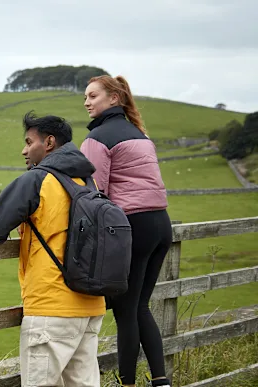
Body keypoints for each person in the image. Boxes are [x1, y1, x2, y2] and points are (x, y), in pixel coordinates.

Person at [0, 111, 105, 387]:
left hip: (51, 307)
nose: (24, 150)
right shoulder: (87, 181)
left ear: (48, 143)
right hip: (91, 305)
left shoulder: (38, 180)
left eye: (28, 142)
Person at [80, 75, 172, 387]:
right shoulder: (141, 135)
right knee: (140, 305)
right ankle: (161, 381)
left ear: (114, 99)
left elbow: (93, 194)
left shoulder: (97, 139)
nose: (87, 102)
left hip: (133, 227)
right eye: (85, 98)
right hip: (161, 225)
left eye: (93, 96)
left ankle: (128, 384)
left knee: (125, 310)